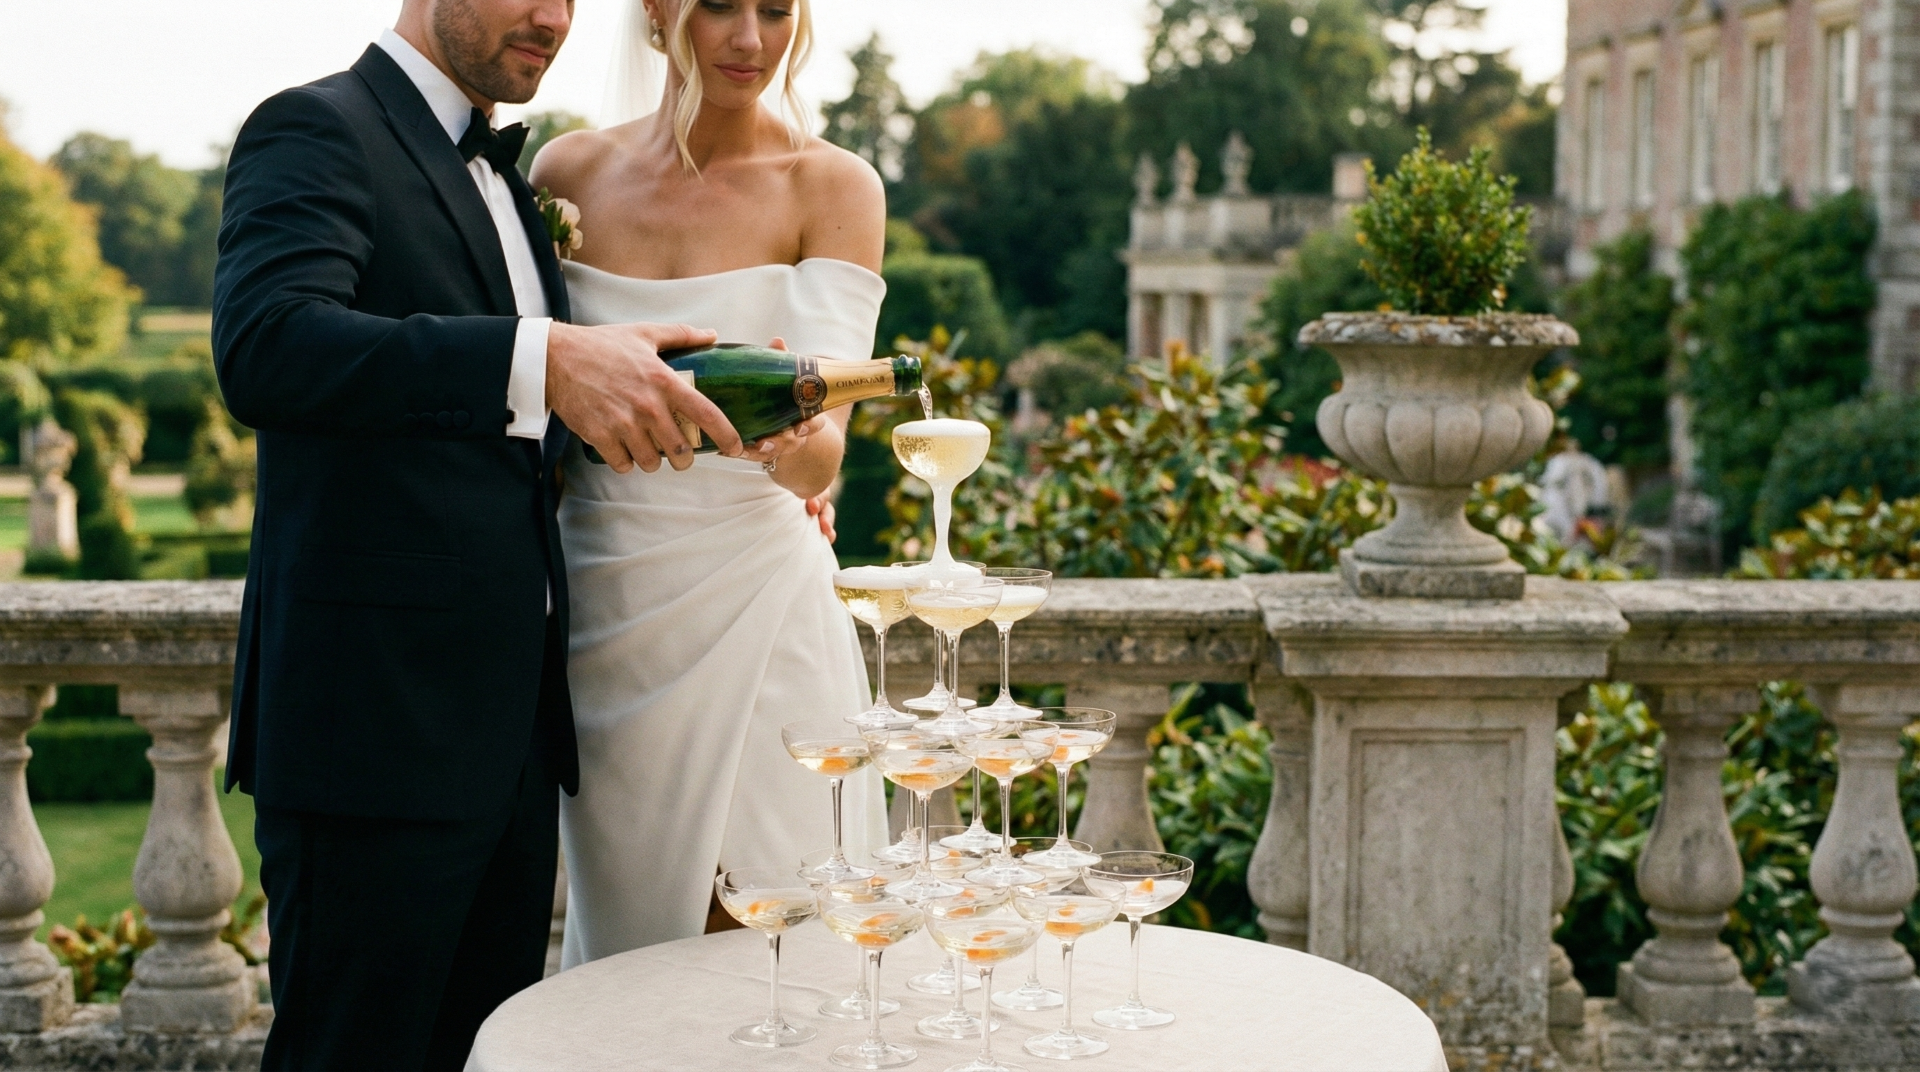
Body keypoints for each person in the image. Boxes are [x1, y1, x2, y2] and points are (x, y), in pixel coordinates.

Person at [212, 1, 750, 1066]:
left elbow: (494, 420)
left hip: (510, 748)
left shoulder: (513, 177)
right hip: (370, 738)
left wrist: (646, 395)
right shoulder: (314, 126)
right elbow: (268, 344)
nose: (552, 16)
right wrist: (542, 357)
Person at [531, 0, 891, 965]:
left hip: (762, 599)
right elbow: (542, 385)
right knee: (633, 945)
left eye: (776, 10)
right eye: (719, 7)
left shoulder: (834, 186)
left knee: (772, 935)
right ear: (658, 12)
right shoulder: (565, 175)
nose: (748, 39)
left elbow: (826, 456)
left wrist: (787, 444)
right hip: (608, 606)